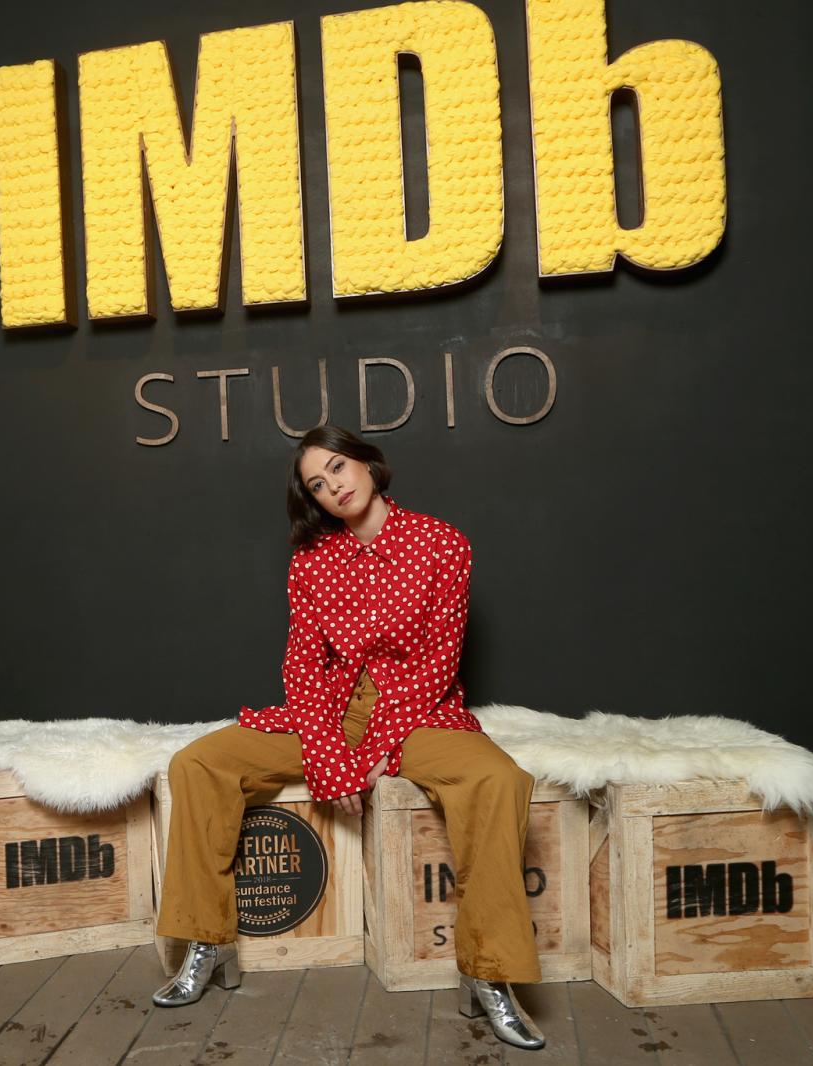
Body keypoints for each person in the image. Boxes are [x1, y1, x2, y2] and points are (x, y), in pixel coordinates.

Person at [150, 426, 545, 1052]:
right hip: (333, 710)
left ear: (367, 463)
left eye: (338, 467)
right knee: (198, 762)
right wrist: (331, 754)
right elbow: (303, 667)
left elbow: (437, 664)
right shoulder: (311, 563)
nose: (333, 486)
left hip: (417, 710)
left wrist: (380, 748)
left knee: (499, 779)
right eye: (317, 483)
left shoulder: (442, 543)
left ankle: (490, 973)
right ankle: (205, 942)